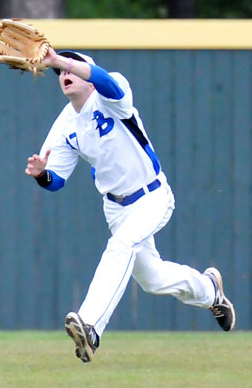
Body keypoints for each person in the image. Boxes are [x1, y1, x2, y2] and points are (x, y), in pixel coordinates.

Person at [25, 47, 236, 363]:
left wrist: (59, 60)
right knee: (153, 279)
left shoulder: (110, 91)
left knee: (120, 245)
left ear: (89, 77)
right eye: (60, 73)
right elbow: (57, 181)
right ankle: (209, 291)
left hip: (152, 196)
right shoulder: (66, 125)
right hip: (116, 208)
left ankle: (91, 327)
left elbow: (106, 81)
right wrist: (42, 175)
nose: (65, 74)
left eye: (72, 68)